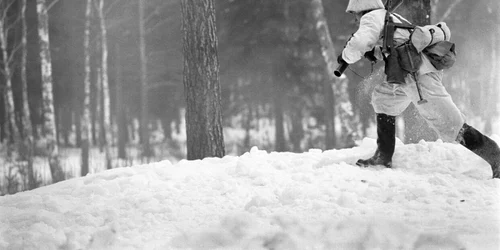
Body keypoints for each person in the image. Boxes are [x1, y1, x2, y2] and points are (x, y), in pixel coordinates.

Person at [338, 0, 500, 178]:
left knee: (450, 123)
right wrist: (374, 52)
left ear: (360, 9)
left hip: (418, 76)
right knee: (383, 100)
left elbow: (358, 44)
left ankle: (496, 157)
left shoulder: (371, 17)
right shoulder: (386, 17)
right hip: (405, 74)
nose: (355, 18)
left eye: (354, 13)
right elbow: (397, 43)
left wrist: (345, 56)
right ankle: (383, 156)